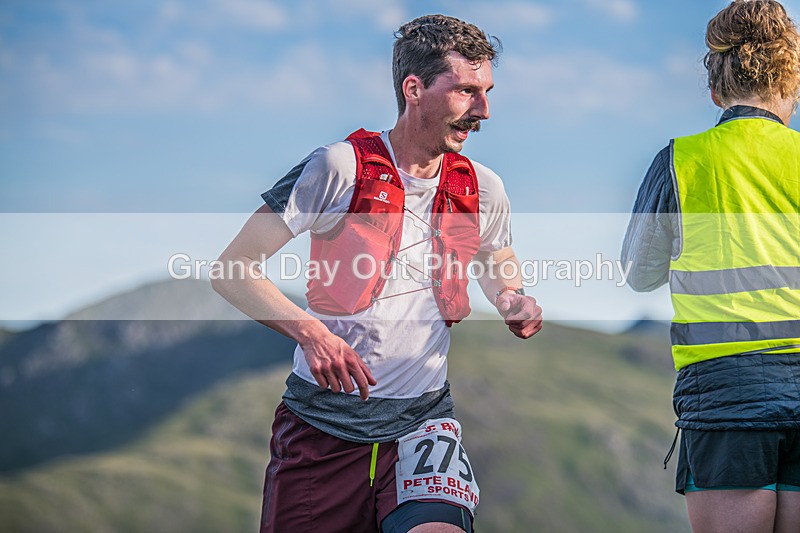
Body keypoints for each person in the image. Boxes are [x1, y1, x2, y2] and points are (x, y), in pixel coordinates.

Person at [212, 14, 543, 533]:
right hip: (322, 427)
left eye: (487, 92)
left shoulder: (485, 187)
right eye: (467, 92)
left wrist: (511, 297)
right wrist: (312, 333)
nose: (484, 110)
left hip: (425, 425)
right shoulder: (337, 168)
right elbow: (232, 269)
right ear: (414, 89)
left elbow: (496, 257)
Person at [622, 1, 800, 531]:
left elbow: (639, 272)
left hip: (725, 391)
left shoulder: (681, 160)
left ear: (717, 91)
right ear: (790, 84)